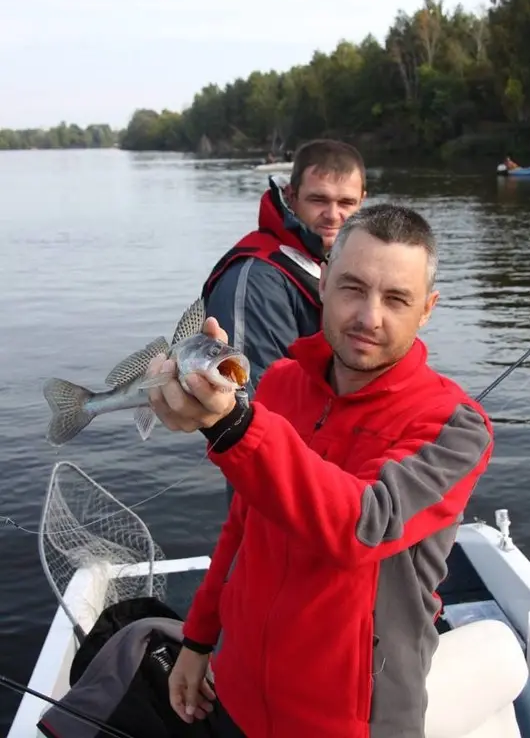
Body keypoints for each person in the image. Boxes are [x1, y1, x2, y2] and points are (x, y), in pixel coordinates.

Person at [147, 204, 494, 738]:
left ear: (427, 309)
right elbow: (241, 527)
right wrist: (198, 640)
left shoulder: (456, 428)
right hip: (235, 691)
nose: (369, 317)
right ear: (324, 281)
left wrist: (234, 423)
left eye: (396, 298)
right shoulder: (282, 382)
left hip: (349, 721)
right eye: (352, 287)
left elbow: (365, 523)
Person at [203, 138, 366, 504]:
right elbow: (247, 404)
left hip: (336, 477)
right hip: (277, 487)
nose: (334, 215)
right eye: (318, 200)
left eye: (346, 203)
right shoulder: (256, 278)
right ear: (291, 197)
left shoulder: (332, 263)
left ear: (362, 201)